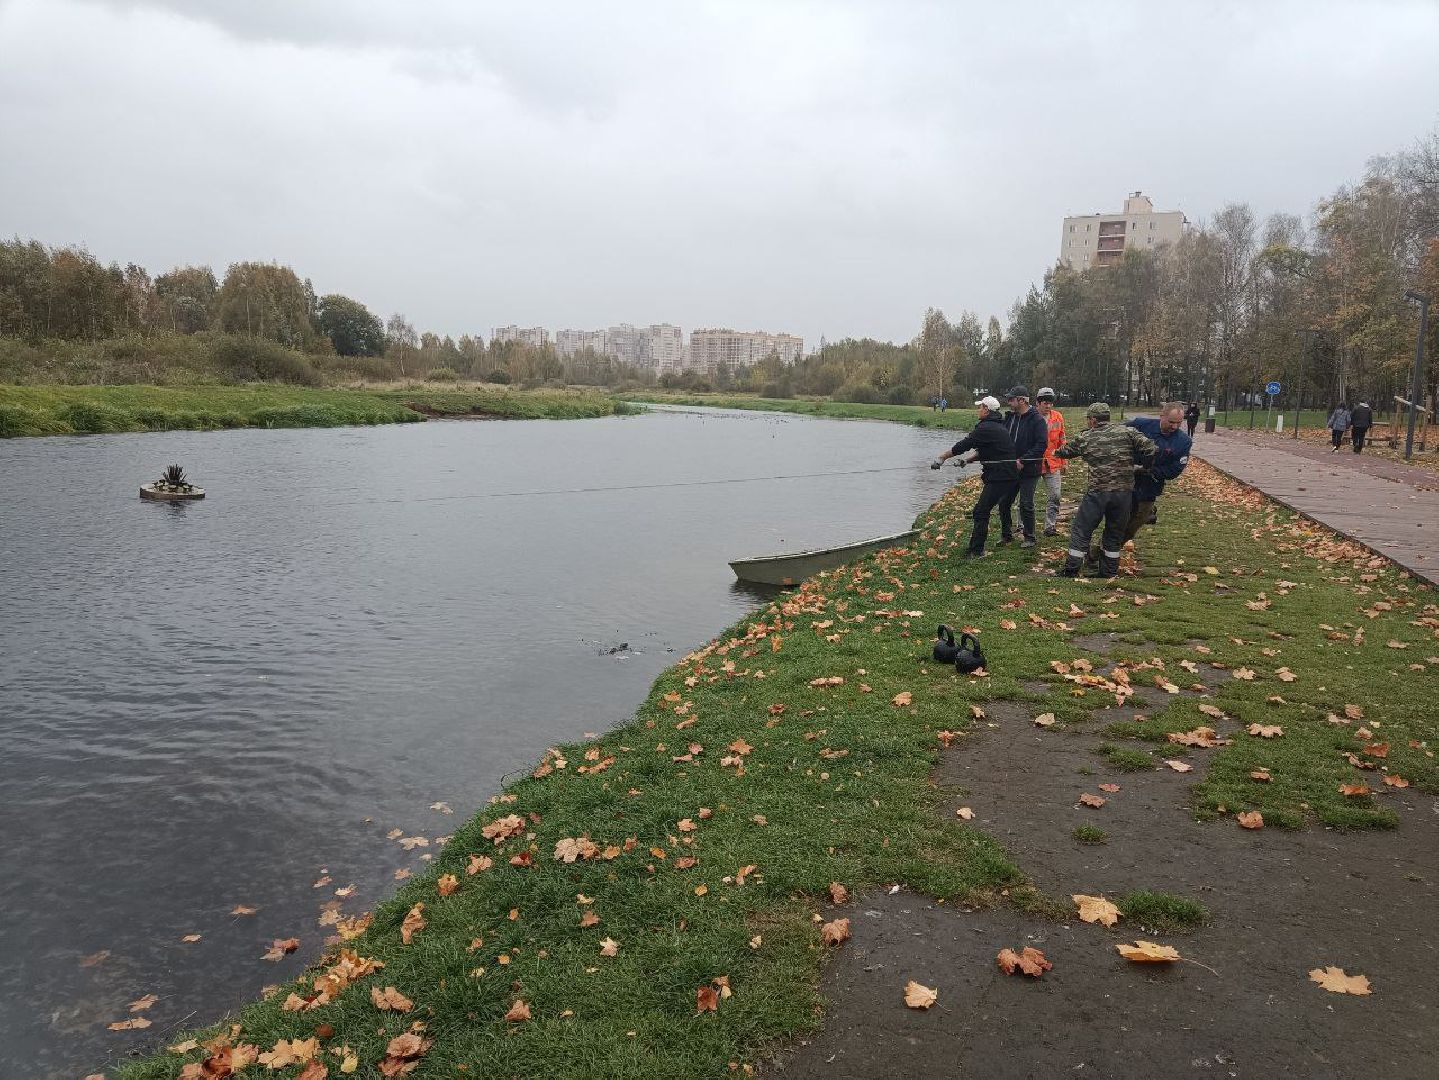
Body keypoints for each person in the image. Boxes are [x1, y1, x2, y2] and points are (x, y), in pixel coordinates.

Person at [1054, 402, 1155, 578]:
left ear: (1093, 419)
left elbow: (1065, 452)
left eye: (1088, 419)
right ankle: (1108, 572)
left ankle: (1071, 569)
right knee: (1114, 533)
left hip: (1097, 492)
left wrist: (1055, 453)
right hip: (1124, 494)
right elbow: (1151, 448)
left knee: (1082, 530)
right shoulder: (1127, 432)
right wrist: (1141, 466)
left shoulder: (1086, 437)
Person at [1091, 402, 1191, 565]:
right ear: (1162, 416)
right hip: (1125, 482)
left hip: (1150, 486)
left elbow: (1175, 469)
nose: (1174, 426)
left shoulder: (1183, 442)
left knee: (1134, 525)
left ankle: (1105, 549)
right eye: (1171, 422)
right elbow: (1117, 434)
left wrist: (1149, 471)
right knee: (1119, 521)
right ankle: (1100, 553)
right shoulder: (1141, 425)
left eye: (1179, 423)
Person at [931, 395, 1019, 559]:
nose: (978, 410)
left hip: (1001, 476)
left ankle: (976, 551)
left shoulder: (987, 428)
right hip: (1006, 475)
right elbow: (984, 451)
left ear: (986, 409)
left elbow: (964, 444)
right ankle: (1000, 538)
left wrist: (942, 458)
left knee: (981, 511)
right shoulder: (996, 426)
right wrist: (966, 460)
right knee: (993, 507)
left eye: (980, 407)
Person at [997, 385, 1049, 548]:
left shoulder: (1037, 420)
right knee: (1004, 502)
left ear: (1022, 400)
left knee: (1026, 503)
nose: (1009, 402)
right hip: (1010, 469)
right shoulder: (1010, 417)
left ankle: (1030, 537)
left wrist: (1023, 461)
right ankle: (1006, 535)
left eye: (1012, 399)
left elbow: (1041, 445)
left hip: (1030, 469)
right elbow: (1003, 440)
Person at [1035, 387, 1066, 536]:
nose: (1048, 406)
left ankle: (1050, 526)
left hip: (1053, 462)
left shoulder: (1058, 417)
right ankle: (1022, 526)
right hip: (1033, 462)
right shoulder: (1031, 417)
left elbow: (1062, 439)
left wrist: (1064, 460)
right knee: (1027, 497)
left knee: (1055, 495)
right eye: (1045, 403)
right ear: (1038, 403)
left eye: (1050, 403)